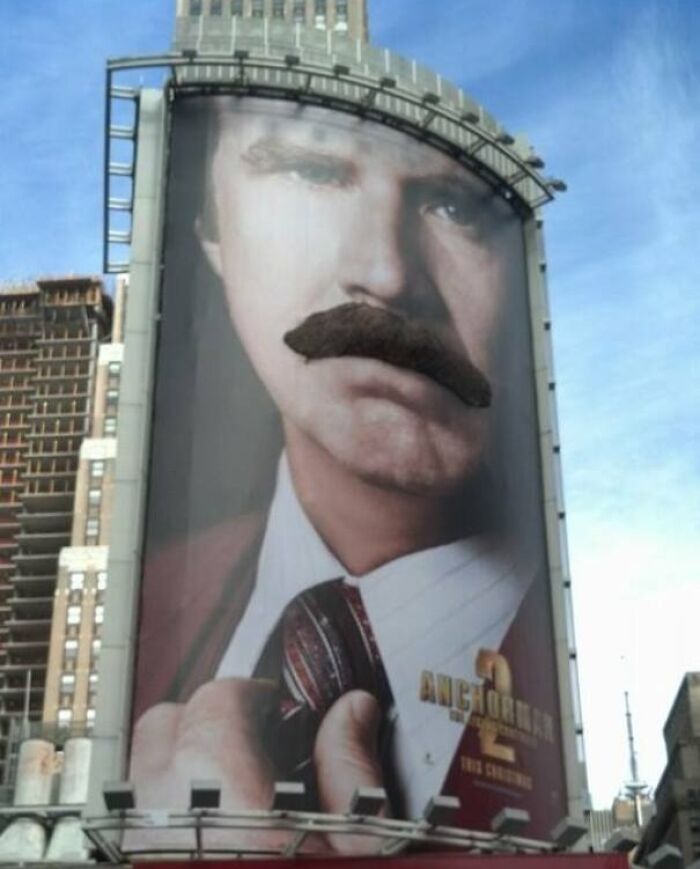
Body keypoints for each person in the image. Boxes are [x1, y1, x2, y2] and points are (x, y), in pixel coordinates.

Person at [129, 97, 565, 853]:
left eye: (455, 207)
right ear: (213, 235)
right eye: (311, 167)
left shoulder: (553, 691)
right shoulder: (154, 601)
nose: (387, 275)